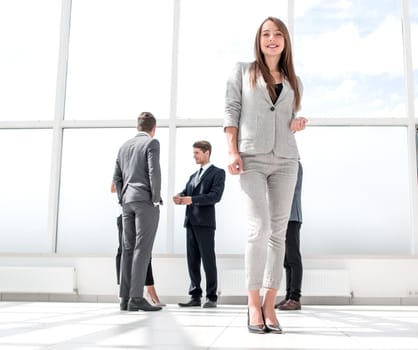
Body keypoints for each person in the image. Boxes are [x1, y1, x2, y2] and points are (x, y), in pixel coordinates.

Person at [224, 17, 307, 333]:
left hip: (287, 160)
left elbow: (285, 117)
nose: (272, 39)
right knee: (257, 229)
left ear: (285, 41)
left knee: (278, 232)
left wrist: (296, 123)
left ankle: (271, 305)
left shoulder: (293, 79)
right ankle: (252, 303)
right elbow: (231, 110)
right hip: (252, 158)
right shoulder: (243, 71)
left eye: (278, 34)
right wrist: (232, 150)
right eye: (266, 34)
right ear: (258, 40)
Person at [113, 111, 163, 312]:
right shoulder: (152, 143)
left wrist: (122, 198)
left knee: (127, 249)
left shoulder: (124, 146)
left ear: (137, 127)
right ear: (153, 128)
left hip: (126, 201)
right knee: (142, 249)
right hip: (144, 201)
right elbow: (154, 172)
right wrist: (155, 198)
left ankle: (124, 299)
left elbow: (116, 177)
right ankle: (136, 298)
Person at [173, 141, 225, 308]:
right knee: (192, 260)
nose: (194, 156)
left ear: (207, 152)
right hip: (190, 222)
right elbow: (187, 192)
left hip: (205, 223)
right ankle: (195, 296)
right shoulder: (193, 176)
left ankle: (211, 297)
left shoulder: (218, 173)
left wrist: (191, 199)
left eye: (197, 153)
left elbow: (215, 196)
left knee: (208, 260)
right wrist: (180, 197)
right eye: (194, 152)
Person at [111, 182, 165, 307]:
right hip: (125, 213)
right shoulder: (122, 165)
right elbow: (113, 188)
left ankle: (149, 291)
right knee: (124, 251)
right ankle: (123, 292)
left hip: (141, 210)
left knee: (144, 252)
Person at [275, 161, 303, 311]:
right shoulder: (287, 166)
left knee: (293, 258)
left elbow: (290, 190)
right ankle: (288, 296)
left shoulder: (296, 166)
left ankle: (295, 298)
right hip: (283, 218)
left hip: (292, 217)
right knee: (286, 260)